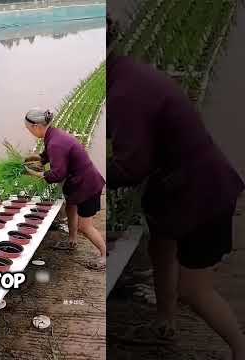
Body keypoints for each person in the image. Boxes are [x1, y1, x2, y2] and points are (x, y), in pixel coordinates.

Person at [107, 15, 245, 359]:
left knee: (195, 290)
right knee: (161, 248)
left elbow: (130, 166)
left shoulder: (124, 93)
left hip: (202, 194)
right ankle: (164, 324)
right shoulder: (124, 71)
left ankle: (240, 347)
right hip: (176, 186)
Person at [23, 108, 106, 269]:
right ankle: (72, 241)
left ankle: (104, 255)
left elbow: (58, 174)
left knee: (85, 226)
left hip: (87, 185)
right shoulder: (53, 135)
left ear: (37, 126)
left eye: (29, 129)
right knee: (70, 208)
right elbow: (50, 154)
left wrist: (39, 174)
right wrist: (40, 158)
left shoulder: (54, 142)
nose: (30, 132)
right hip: (78, 183)